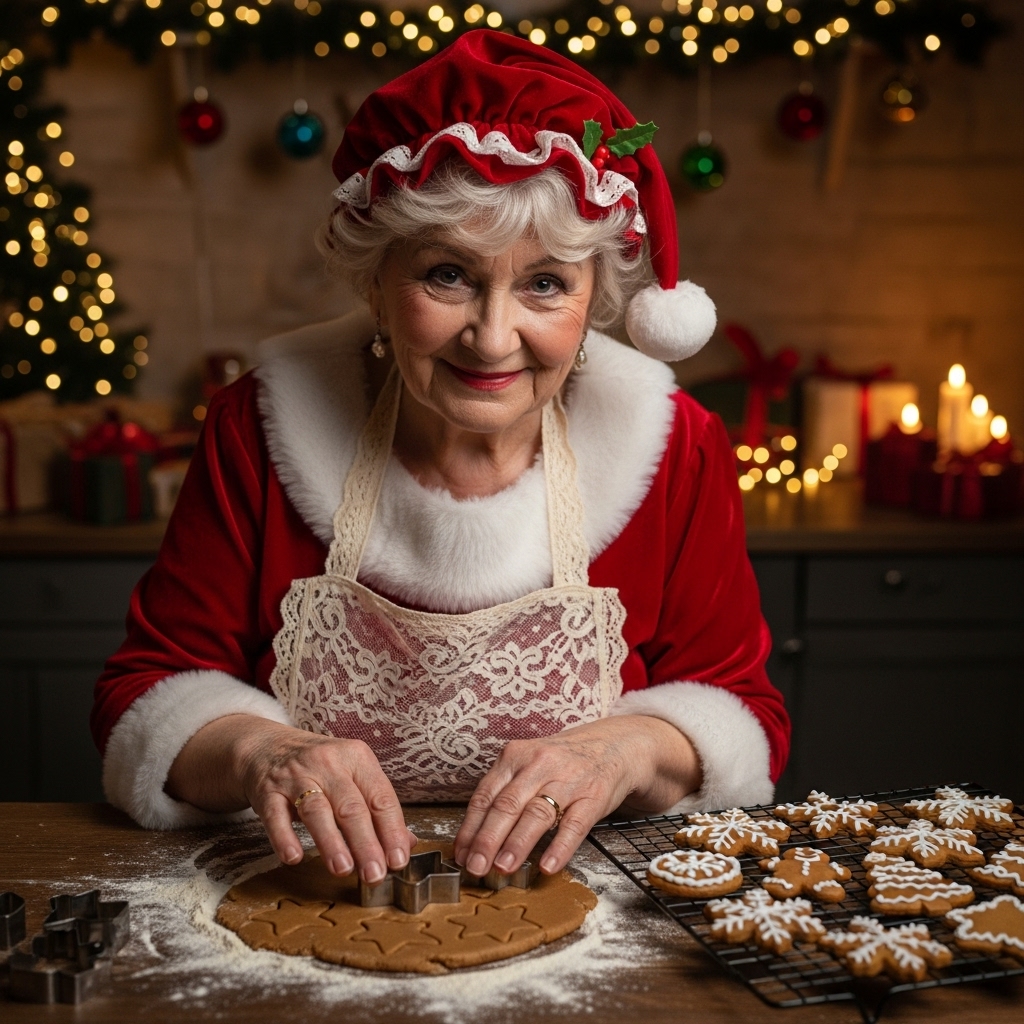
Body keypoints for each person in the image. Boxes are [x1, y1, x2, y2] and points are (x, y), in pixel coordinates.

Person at [92, 31, 789, 891]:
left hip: (600, 899)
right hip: (300, 888)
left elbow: (743, 711)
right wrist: (259, 751)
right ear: (376, 282)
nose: (492, 339)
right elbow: (145, 690)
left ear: (596, 300)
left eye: (545, 284)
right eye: (448, 275)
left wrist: (626, 750)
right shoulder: (257, 424)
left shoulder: (675, 443)